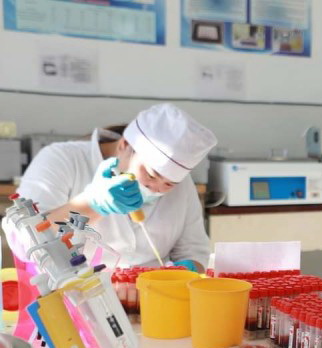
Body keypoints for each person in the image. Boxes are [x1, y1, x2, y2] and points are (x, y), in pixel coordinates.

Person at [13, 103, 216, 272]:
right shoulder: (62, 159)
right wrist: (91, 204)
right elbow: (25, 241)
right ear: (125, 145)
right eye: (151, 175)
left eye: (169, 184)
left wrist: (188, 269)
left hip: (149, 297)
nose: (156, 188)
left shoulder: (182, 185)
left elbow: (194, 251)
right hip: (73, 296)